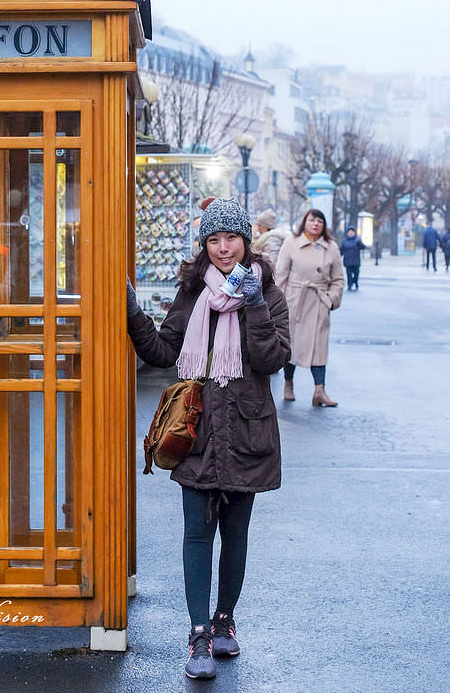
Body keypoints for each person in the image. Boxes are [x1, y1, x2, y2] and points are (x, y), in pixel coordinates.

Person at [126, 197, 290, 680]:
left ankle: (225, 622)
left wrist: (255, 304)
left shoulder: (269, 294)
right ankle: (198, 633)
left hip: (246, 431)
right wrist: (133, 312)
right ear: (204, 244)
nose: (223, 249)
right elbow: (162, 351)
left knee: (235, 534)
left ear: (246, 240)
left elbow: (272, 359)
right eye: (214, 240)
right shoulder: (193, 292)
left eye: (231, 238)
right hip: (197, 433)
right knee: (197, 534)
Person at [275, 208, 344, 407]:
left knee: (319, 348)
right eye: (312, 220)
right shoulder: (291, 243)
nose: (315, 224)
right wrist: (279, 303)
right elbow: (281, 275)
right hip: (295, 301)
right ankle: (288, 383)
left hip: (319, 301)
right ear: (304, 222)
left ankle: (319, 390)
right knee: (292, 345)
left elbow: (338, 278)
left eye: (319, 221)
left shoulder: (331, 247)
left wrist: (331, 299)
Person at [339, 226, 367, 290]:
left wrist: (360, 243)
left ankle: (355, 282)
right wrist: (338, 257)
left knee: (356, 273)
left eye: (352, 232)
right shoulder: (344, 241)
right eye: (349, 232)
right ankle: (349, 285)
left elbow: (363, 247)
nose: (351, 233)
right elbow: (341, 250)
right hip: (347, 260)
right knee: (349, 274)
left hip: (356, 260)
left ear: (354, 233)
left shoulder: (357, 240)